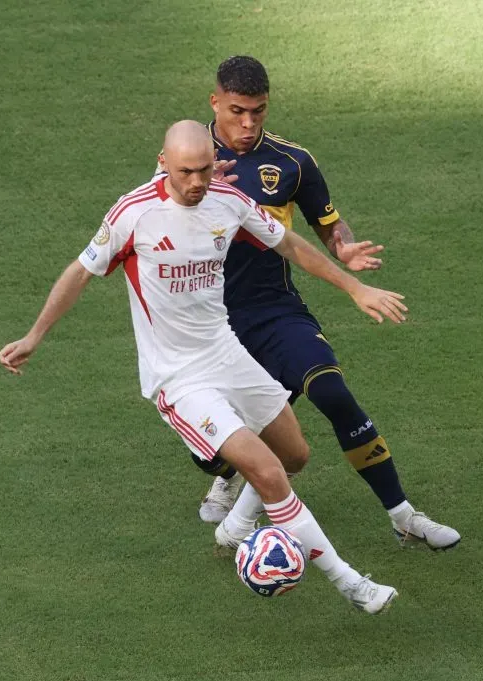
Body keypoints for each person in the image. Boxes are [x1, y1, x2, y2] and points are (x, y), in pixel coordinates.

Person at [0, 121, 407, 613]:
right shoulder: (134, 213)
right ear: (163, 163)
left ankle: (235, 527)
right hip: (179, 378)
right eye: (186, 171)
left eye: (205, 169)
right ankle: (352, 584)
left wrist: (355, 287)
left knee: (295, 456)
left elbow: (290, 245)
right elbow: (80, 272)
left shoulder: (226, 199)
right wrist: (34, 335)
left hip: (228, 354)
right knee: (269, 472)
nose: (196, 182)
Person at [185, 56, 461, 551]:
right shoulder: (187, 160)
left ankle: (402, 515)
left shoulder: (293, 163)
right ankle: (226, 475)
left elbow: (327, 223)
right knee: (216, 451)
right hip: (211, 326)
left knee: (333, 394)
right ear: (215, 103)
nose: (248, 124)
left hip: (276, 312)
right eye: (237, 111)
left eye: (259, 112)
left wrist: (343, 246)